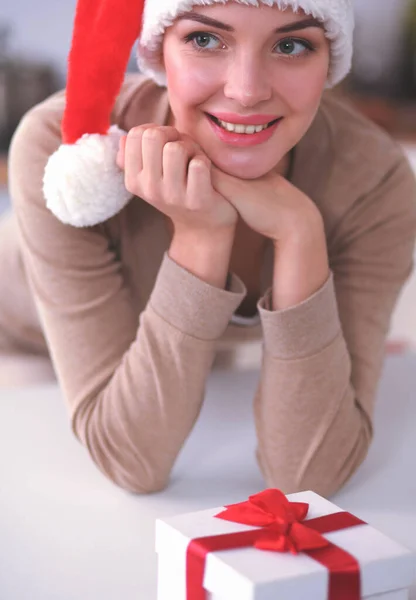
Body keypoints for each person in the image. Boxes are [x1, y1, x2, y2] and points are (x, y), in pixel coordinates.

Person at [1, 0, 416, 496]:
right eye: (204, 39)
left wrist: (301, 233)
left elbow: (311, 474)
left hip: (185, 346)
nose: (246, 91)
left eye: (290, 45)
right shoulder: (65, 150)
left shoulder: (376, 183)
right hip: (23, 343)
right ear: (158, 52)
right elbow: (132, 462)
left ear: (330, 61)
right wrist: (202, 238)